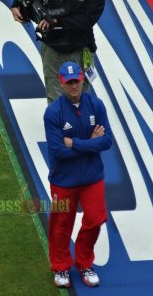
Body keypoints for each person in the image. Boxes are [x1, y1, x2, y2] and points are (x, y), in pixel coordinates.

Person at [43, 62, 112, 287]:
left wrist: (75, 144)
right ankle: (61, 267)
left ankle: (84, 262)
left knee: (95, 218)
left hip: (92, 177)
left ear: (83, 79)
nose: (74, 85)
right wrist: (90, 144)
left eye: (77, 80)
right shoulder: (53, 112)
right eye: (69, 82)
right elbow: (57, 151)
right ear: (62, 83)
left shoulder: (96, 105)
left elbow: (107, 140)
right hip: (63, 180)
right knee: (61, 225)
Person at [11, 0, 106, 104]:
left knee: (79, 102)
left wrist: (58, 20)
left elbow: (88, 19)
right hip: (53, 48)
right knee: (56, 103)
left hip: (80, 48)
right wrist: (16, 4)